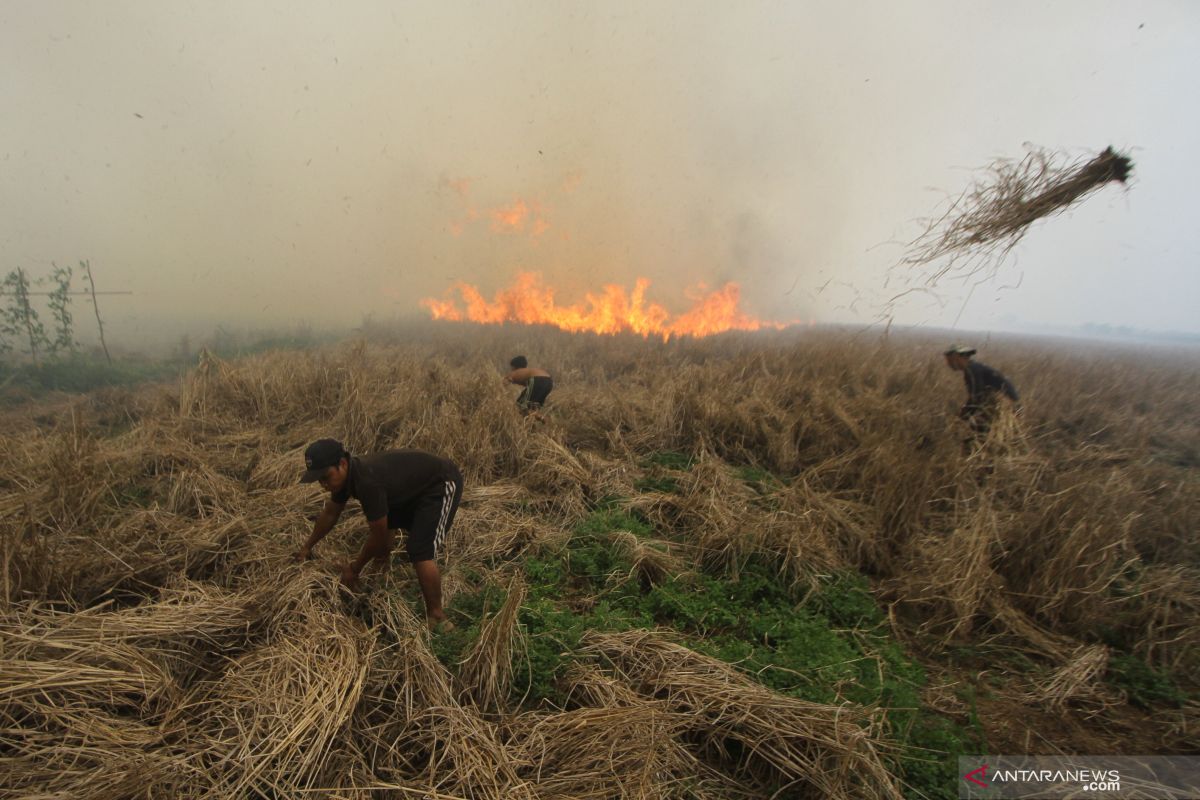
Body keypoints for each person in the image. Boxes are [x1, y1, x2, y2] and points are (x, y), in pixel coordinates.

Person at [295, 438, 463, 631]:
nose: (323, 484)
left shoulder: (367, 482)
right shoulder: (345, 478)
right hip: (408, 489)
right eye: (319, 480)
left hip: (441, 483)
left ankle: (438, 617)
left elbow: (379, 535)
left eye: (325, 477)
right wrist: (306, 547)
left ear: (342, 464)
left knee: (419, 550)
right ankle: (381, 575)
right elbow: (331, 513)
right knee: (386, 521)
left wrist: (354, 568)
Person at [943, 344, 1020, 435]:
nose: (948, 364)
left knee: (979, 429)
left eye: (949, 360)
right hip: (1002, 407)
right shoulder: (974, 368)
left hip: (1006, 409)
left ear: (956, 357)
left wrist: (963, 417)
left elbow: (976, 398)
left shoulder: (972, 370)